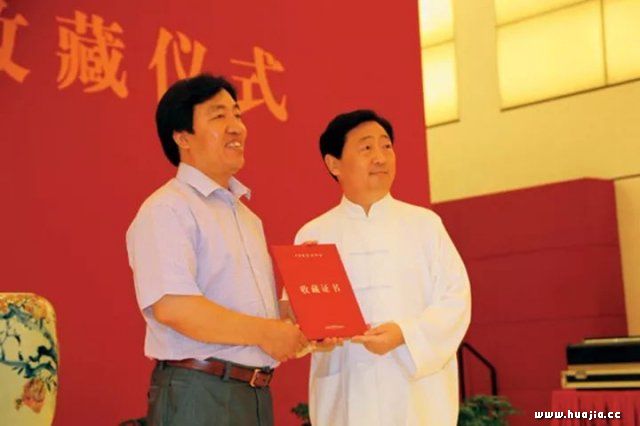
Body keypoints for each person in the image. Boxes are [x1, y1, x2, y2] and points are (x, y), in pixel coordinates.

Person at [126, 73, 307, 426]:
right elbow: (174, 307)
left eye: (237, 114)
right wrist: (267, 332)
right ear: (182, 137)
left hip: (254, 394)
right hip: (199, 392)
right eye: (219, 115)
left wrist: (295, 311)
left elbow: (243, 309)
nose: (236, 127)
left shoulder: (248, 218)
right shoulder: (167, 208)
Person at [287, 109, 471, 425]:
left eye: (386, 146)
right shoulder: (313, 235)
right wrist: (311, 328)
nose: (380, 157)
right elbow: (295, 318)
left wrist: (405, 333)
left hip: (416, 394)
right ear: (334, 164)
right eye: (366, 147)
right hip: (346, 393)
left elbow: (456, 301)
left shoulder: (425, 224)